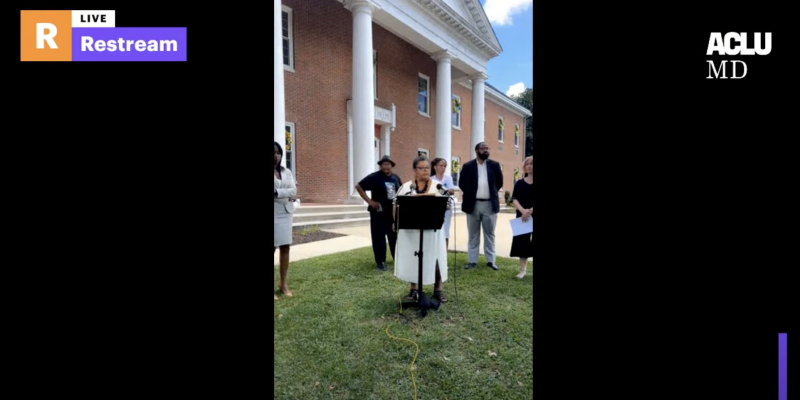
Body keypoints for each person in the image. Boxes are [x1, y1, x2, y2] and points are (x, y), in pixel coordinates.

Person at [392, 156, 449, 303]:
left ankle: (438, 290)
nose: (425, 171)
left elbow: (447, 202)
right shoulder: (405, 187)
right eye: (421, 168)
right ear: (414, 170)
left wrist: (445, 204)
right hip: (412, 231)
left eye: (427, 168)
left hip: (433, 231)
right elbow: (395, 205)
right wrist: (396, 221)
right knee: (413, 258)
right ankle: (414, 290)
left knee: (436, 258)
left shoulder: (437, 186)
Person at [457, 142, 504, 270]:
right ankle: (472, 261)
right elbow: (462, 183)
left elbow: (499, 183)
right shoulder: (468, 166)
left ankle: (491, 261)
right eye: (483, 148)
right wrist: (472, 193)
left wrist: (490, 192)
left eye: (487, 148)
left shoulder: (494, 165)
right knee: (473, 234)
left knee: (490, 233)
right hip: (473, 204)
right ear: (476, 150)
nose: (486, 150)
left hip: (490, 204)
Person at [355, 155, 403, 271]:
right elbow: (358, 186)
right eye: (383, 164)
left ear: (392, 165)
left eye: (388, 164)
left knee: (394, 236)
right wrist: (369, 201)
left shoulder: (395, 178)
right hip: (378, 211)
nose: (386, 166)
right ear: (380, 166)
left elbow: (401, 191)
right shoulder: (374, 177)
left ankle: (397, 259)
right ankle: (380, 261)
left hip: (392, 212)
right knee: (379, 237)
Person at [274, 141, 296, 300]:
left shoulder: (286, 171)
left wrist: (276, 192)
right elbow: (289, 191)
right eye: (273, 153)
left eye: (278, 153)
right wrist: (285, 192)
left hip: (286, 212)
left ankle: (283, 283)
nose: (275, 156)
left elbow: (294, 190)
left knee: (285, 247)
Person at [510, 156, 533, 279]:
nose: (529, 166)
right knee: (522, 243)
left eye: (532, 164)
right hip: (522, 216)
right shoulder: (519, 183)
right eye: (527, 164)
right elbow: (514, 199)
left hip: (530, 213)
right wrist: (523, 211)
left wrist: (530, 210)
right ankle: (522, 270)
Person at [430, 157, 455, 249]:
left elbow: (451, 191)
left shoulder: (448, 178)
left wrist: (442, 190)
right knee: (435, 230)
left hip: (446, 208)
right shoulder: (431, 179)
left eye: (445, 166)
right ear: (435, 167)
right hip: (434, 208)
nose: (443, 168)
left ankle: (444, 253)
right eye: (441, 166)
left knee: (445, 231)